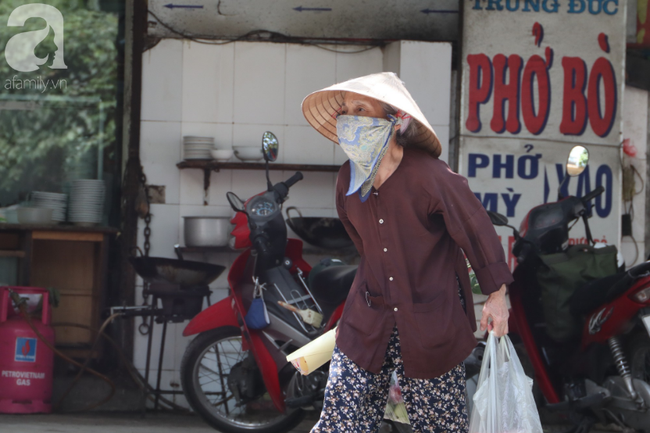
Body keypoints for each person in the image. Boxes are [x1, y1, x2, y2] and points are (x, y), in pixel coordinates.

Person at [300, 72, 513, 433]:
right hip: (368, 316)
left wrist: (497, 296)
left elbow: (475, 228)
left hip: (430, 318)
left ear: (394, 120)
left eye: (362, 108)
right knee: (341, 419)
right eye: (346, 110)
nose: (350, 118)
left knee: (438, 425)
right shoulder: (346, 180)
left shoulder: (432, 177)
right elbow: (362, 243)